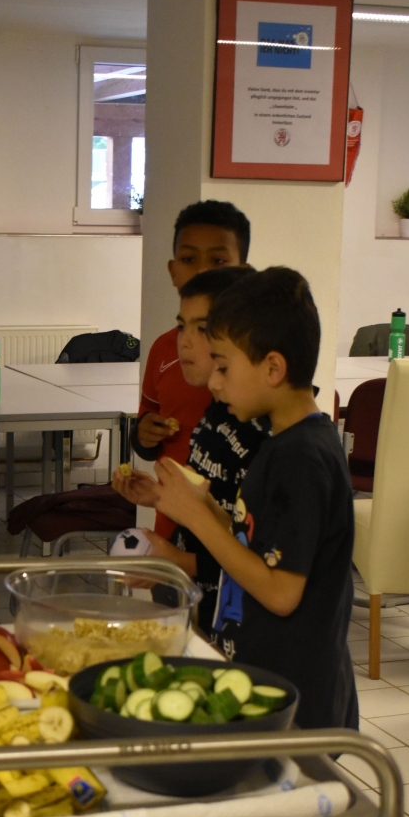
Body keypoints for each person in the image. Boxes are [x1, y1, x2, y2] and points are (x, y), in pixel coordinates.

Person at [152, 266, 358, 817]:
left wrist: (199, 520)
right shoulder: (282, 443)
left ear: (273, 367)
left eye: (224, 366)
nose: (213, 382)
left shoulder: (302, 456)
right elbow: (257, 550)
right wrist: (199, 507)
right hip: (269, 691)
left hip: (298, 704)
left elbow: (280, 589)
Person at [114, 266, 269, 633]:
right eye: (182, 326)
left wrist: (176, 561)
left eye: (201, 328)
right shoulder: (215, 414)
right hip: (199, 600)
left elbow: (259, 562)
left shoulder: (269, 437)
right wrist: (159, 497)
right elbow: (217, 515)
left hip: (238, 618)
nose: (183, 342)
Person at [131, 199, 251, 537]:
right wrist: (144, 434)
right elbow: (148, 418)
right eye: (188, 260)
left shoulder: (254, 359)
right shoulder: (164, 348)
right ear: (173, 271)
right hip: (174, 525)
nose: (202, 272)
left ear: (241, 271)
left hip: (233, 532)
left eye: (218, 261)